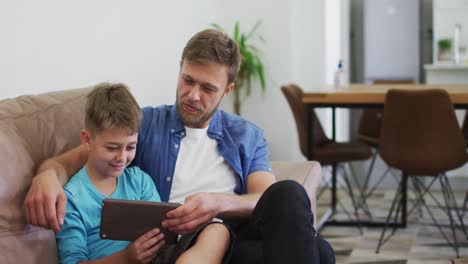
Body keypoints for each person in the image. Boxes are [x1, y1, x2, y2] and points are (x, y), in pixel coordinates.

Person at [24, 29, 335, 263]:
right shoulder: (144, 125)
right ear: (180, 68)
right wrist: (46, 176)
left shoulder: (246, 135)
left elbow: (263, 199)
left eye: (207, 88)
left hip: (236, 239)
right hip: (179, 247)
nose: (193, 95)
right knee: (319, 252)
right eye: (188, 80)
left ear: (227, 90)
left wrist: (219, 204)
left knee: (289, 192)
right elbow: (75, 158)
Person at [55, 83, 231, 264]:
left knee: (218, 231)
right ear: (87, 140)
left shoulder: (139, 181)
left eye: (131, 147)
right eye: (112, 147)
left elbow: (164, 233)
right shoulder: (72, 198)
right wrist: (126, 258)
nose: (122, 158)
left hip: (159, 258)